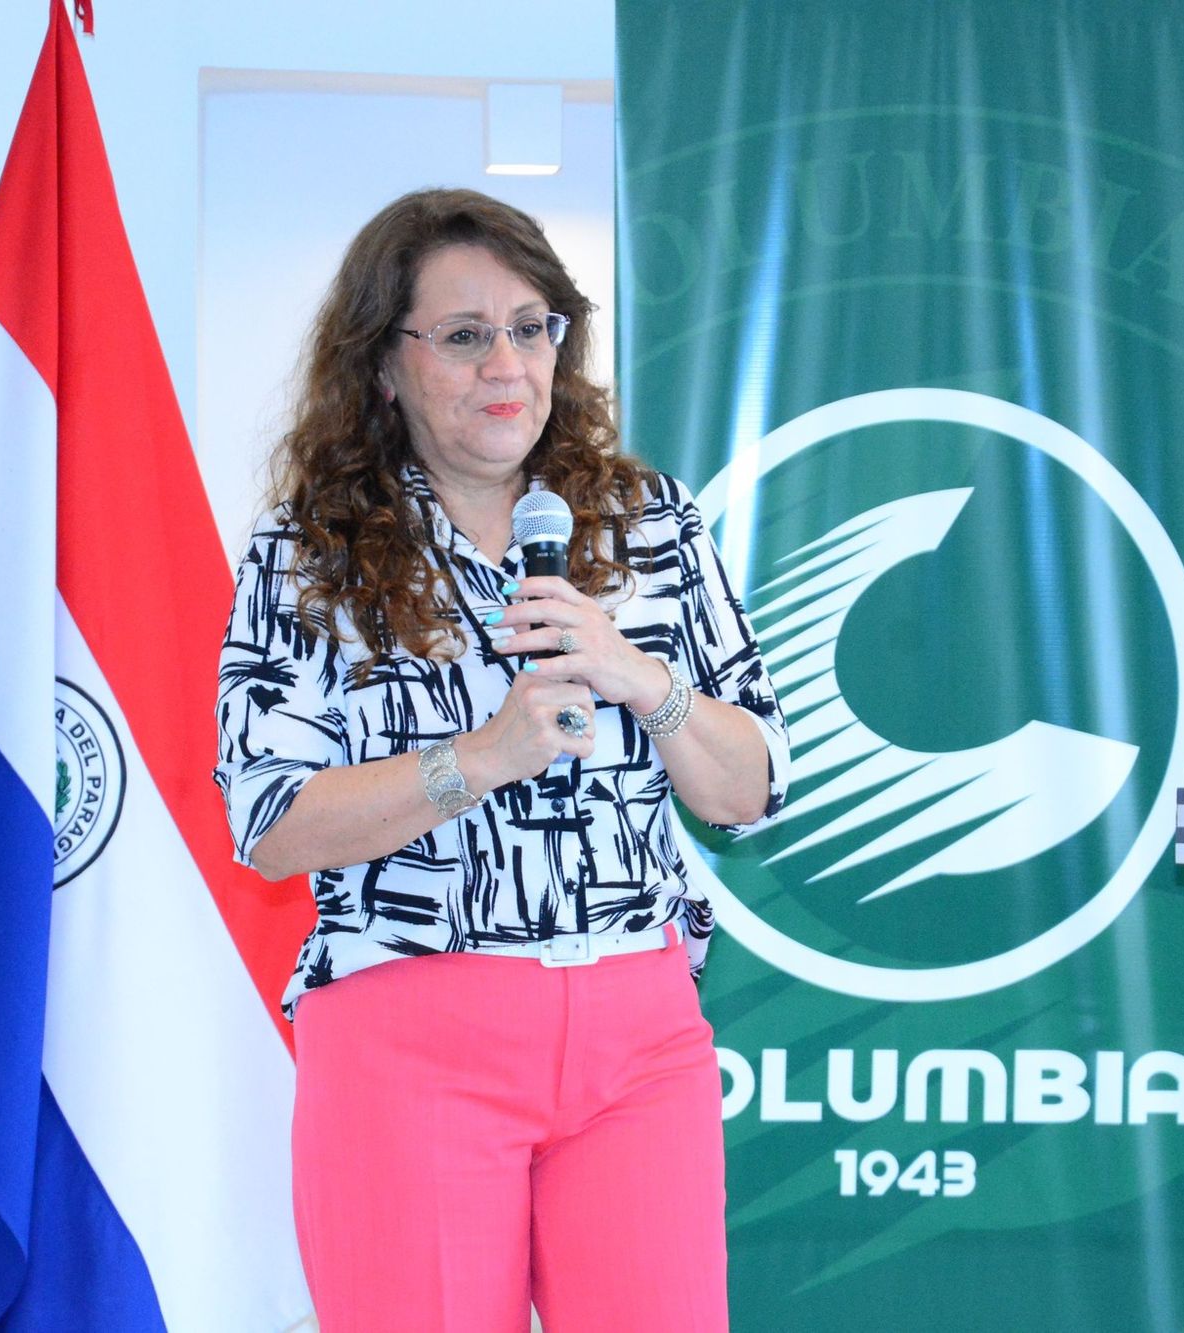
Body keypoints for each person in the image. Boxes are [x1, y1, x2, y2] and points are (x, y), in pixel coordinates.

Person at [213, 187, 789, 1333]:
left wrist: (643, 678)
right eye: (465, 336)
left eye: (531, 328)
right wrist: (474, 760)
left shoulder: (649, 525)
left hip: (637, 1032)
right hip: (407, 1033)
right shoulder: (309, 555)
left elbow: (749, 789)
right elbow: (268, 821)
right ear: (383, 364)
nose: (506, 366)